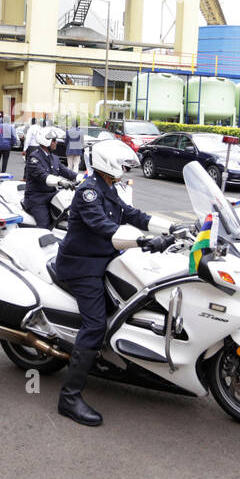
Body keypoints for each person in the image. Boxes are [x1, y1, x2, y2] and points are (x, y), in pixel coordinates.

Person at [53, 138, 174, 425]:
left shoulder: (108, 187)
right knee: (95, 324)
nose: (127, 169)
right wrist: (143, 241)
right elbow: (105, 228)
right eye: (123, 165)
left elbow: (132, 214)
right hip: (82, 266)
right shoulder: (88, 193)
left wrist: (172, 227)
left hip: (104, 261)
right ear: (108, 163)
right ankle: (69, 398)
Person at [22, 126, 77, 228]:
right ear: (46, 141)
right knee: (44, 225)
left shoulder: (54, 158)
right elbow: (42, 176)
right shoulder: (34, 158)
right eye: (54, 140)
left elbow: (66, 171)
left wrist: (82, 177)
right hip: (37, 199)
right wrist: (60, 181)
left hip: (52, 195)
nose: (56, 143)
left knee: (70, 213)